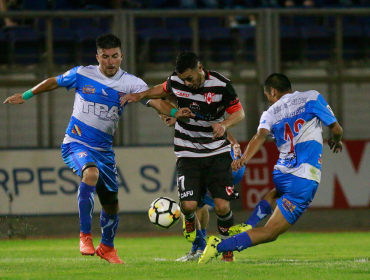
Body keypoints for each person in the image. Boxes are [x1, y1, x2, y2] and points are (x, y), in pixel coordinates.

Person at [3, 33, 192, 264]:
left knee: (111, 204)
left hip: (104, 151)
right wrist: (26, 95)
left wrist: (173, 112)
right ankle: (84, 236)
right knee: (90, 174)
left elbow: (156, 101)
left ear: (121, 56)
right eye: (105, 57)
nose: (110, 61)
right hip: (76, 142)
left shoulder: (131, 83)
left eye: (114, 56)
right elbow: (54, 81)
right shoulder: (82, 74)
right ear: (98, 57)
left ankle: (107, 248)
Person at [198, 73, 343, 264]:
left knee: (278, 193)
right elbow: (336, 129)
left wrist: (243, 159)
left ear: (273, 91)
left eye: (267, 95)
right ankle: (219, 246)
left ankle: (248, 224)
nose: (268, 98)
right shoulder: (312, 97)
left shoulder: (270, 112)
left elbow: (260, 136)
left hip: (282, 174)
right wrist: (336, 140)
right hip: (304, 178)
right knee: (269, 232)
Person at [121, 51, 245, 261]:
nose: (187, 84)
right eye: (183, 80)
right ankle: (195, 235)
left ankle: (224, 247)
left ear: (200, 67)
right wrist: (141, 96)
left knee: (221, 205)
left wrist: (224, 126)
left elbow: (239, 113)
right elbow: (160, 91)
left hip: (218, 153)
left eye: (190, 78)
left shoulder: (221, 85)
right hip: (187, 152)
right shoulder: (176, 84)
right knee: (189, 205)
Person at [158, 113, 246, 261]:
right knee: (198, 203)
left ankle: (202, 246)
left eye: (165, 111)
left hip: (224, 161)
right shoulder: (184, 124)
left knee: (204, 204)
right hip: (217, 161)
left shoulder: (188, 115)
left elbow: (217, 127)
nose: (163, 115)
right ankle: (207, 247)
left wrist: (234, 144)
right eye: (159, 113)